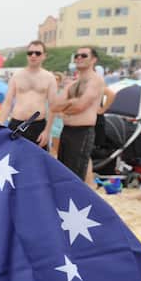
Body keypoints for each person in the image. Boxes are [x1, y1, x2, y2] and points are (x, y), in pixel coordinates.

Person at [51, 47, 105, 181]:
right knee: (63, 172)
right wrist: (72, 102)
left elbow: (80, 106)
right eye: (77, 55)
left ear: (93, 60)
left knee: (76, 175)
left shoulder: (95, 81)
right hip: (67, 130)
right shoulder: (73, 84)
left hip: (82, 132)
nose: (79, 58)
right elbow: (54, 106)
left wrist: (65, 107)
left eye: (83, 55)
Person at [0, 41, 58, 147]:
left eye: (37, 53)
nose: (33, 55)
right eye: (30, 53)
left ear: (44, 56)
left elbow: (53, 107)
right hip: (16, 123)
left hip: (38, 125)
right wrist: (1, 124)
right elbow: (7, 102)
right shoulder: (17, 76)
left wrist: (47, 131)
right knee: (13, 160)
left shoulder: (49, 78)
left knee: (36, 162)